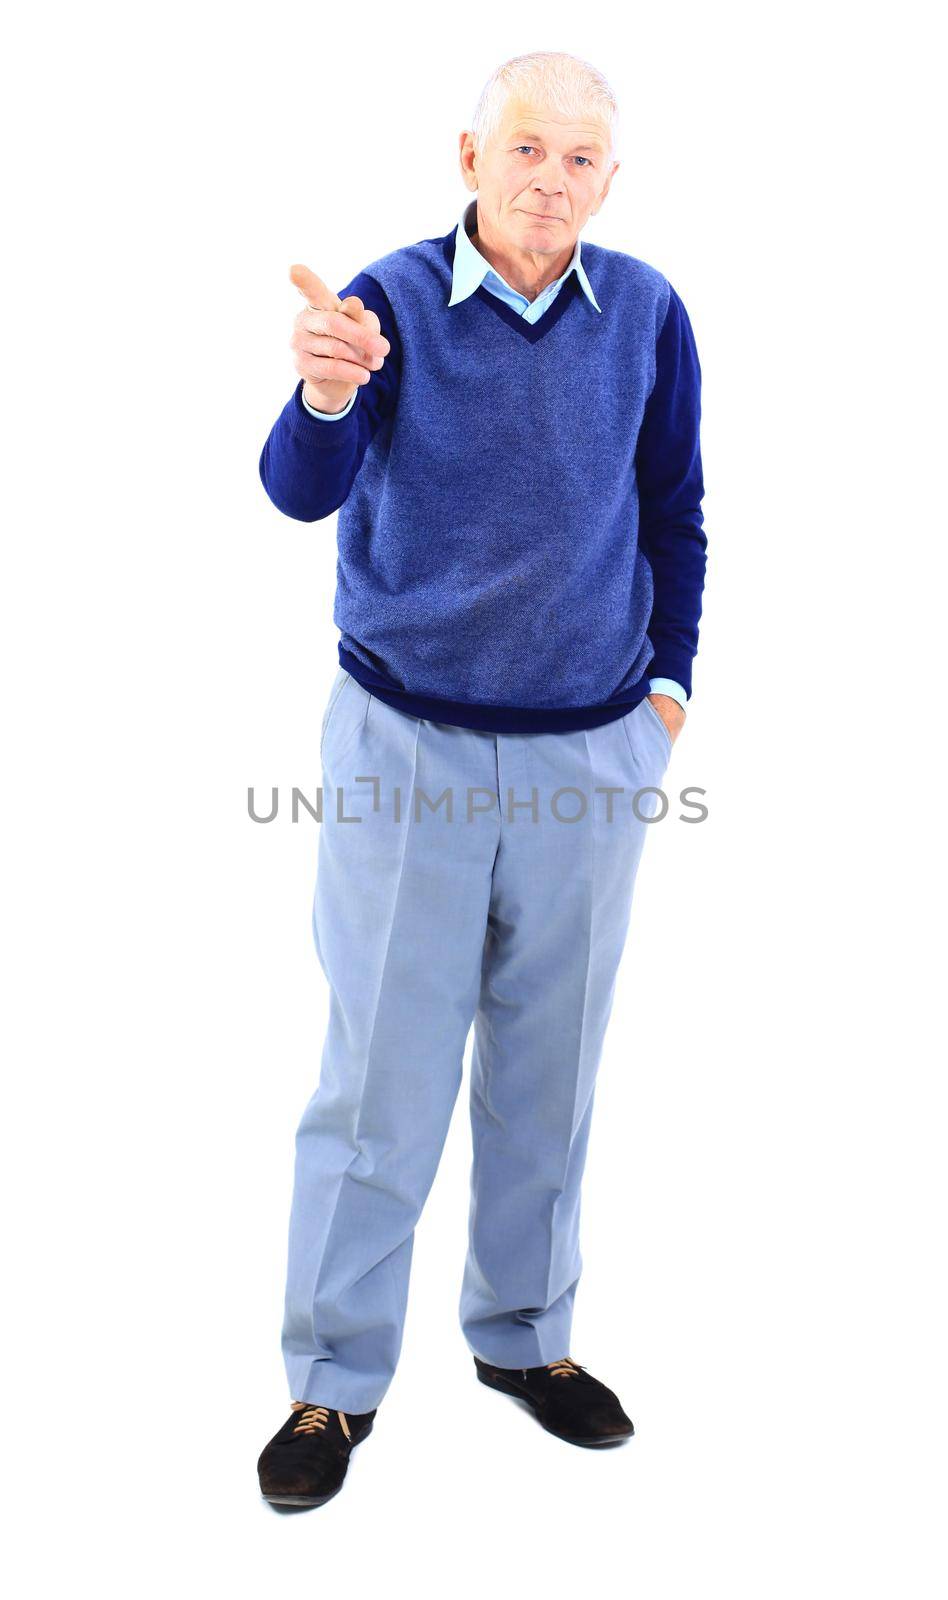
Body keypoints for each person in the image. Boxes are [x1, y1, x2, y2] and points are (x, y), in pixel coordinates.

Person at [255, 49, 707, 1509]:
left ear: (610, 182)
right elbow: (298, 491)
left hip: (590, 753)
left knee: (548, 1071)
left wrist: (669, 692)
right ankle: (333, 1386)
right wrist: (324, 399)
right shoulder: (382, 306)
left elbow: (676, 510)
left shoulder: (645, 312)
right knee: (381, 1075)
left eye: (582, 158)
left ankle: (526, 1341)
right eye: (526, 148)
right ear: (469, 155)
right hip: (408, 749)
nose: (551, 178)